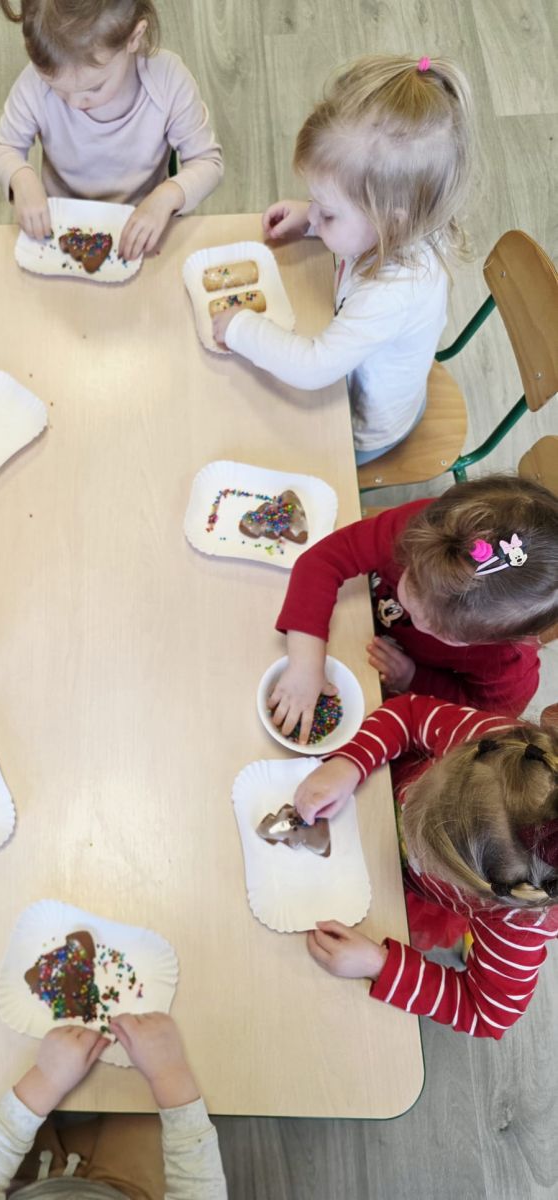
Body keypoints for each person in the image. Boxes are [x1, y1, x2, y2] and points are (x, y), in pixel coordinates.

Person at [212, 55, 473, 464]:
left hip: (363, 429)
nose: (315, 214)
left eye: (329, 213)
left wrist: (240, 328)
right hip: (356, 374)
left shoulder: (392, 294)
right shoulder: (409, 220)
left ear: (390, 222)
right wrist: (311, 219)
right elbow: (357, 223)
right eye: (314, 200)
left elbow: (313, 368)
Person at [293, 692, 558, 1039]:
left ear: (485, 891)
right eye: (421, 787)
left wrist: (380, 965)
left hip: (401, 894)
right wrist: (351, 762)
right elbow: (410, 714)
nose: (410, 817)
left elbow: (487, 1014)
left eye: (430, 850)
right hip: (368, 813)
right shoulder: (497, 745)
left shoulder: (516, 926)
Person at [269, 474, 558, 743]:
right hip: (353, 626)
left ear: (505, 639)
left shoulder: (509, 664)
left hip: (399, 704)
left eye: (438, 629)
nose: (417, 621)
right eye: (411, 588)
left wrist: (414, 677)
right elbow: (325, 560)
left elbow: (476, 718)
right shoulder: (429, 533)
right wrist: (305, 664)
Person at [0, 0, 223, 261]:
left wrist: (167, 197)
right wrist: (20, 177)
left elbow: (207, 162)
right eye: (57, 88)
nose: (74, 103)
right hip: (61, 228)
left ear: (134, 37)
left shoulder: (168, 81)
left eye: (93, 88)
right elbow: (2, 146)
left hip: (141, 229)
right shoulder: (34, 85)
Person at [0, 1013, 227, 1198]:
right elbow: (199, 1188)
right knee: (144, 1101)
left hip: (23, 1183)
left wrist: (46, 1078)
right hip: (129, 1188)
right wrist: (169, 1071)